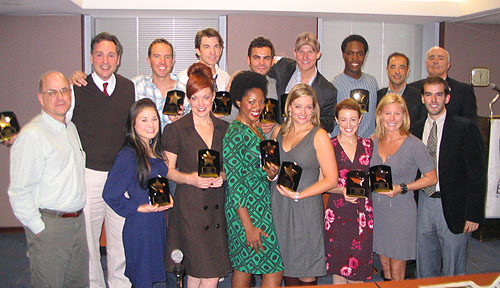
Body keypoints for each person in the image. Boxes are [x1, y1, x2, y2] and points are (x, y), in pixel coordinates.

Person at [8, 71, 88, 288]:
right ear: (40, 98)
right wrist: (39, 229)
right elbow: (19, 191)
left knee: (78, 283)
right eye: (52, 92)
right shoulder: (33, 135)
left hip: (77, 224)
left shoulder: (69, 128)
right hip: (50, 226)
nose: (60, 97)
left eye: (64, 90)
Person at [70, 32, 136, 288]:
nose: (105, 60)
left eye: (111, 55)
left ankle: (120, 284)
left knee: (120, 237)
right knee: (89, 239)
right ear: (90, 57)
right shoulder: (77, 87)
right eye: (99, 54)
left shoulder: (128, 87)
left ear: (118, 59)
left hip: (121, 175)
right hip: (91, 175)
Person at [163, 63, 232, 288]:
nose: (200, 104)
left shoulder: (224, 128)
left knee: (200, 273)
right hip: (190, 207)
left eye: (205, 97)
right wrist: (190, 178)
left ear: (214, 97)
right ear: (187, 100)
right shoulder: (175, 130)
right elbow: (168, 170)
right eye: (194, 98)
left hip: (216, 206)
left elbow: (230, 167)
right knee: (203, 271)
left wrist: (222, 175)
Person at [411, 77, 486, 278]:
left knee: (454, 270)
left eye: (439, 94)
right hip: (424, 205)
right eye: (428, 94)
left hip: (455, 207)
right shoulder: (415, 130)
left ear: (447, 98)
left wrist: (474, 214)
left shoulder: (465, 128)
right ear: (422, 98)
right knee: (425, 266)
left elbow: (477, 174)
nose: (433, 100)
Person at [271, 84, 338, 286]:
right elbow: (272, 170)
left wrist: (299, 195)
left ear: (314, 109)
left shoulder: (319, 135)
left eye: (309, 107)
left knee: (307, 268)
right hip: (279, 205)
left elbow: (331, 179)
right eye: (298, 106)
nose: (303, 112)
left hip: (305, 206)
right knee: (287, 265)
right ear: (289, 107)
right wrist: (271, 175)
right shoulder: (278, 132)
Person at [102, 98, 174, 288]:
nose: (151, 125)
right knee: (142, 279)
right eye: (144, 120)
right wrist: (137, 208)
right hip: (140, 227)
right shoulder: (128, 154)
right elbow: (110, 194)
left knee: (152, 277)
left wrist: (167, 197)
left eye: (154, 119)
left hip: (157, 223)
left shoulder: (152, 149)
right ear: (133, 124)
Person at [223, 71, 284, 287]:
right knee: (266, 266)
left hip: (261, 204)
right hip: (244, 209)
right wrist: (248, 226)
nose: (258, 106)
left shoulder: (256, 128)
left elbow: (257, 170)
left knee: (247, 264)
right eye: (251, 102)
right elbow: (234, 182)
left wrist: (270, 173)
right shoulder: (235, 132)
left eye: (261, 101)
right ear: (238, 102)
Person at [370, 93, 437, 281]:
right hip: (378, 210)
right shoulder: (373, 142)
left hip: (401, 212)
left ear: (404, 116)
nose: (392, 119)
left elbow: (431, 178)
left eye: (397, 114)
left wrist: (403, 187)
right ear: (380, 115)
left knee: (398, 272)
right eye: (387, 113)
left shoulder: (414, 144)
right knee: (385, 268)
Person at [70, 38, 184, 130]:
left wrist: (180, 120)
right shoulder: (134, 85)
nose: (162, 62)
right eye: (157, 56)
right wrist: (79, 76)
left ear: (173, 61)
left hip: (174, 153)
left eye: (167, 57)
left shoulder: (185, 90)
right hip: (143, 154)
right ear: (149, 60)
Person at [323, 98, 374, 284]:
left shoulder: (369, 146)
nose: (348, 124)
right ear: (336, 120)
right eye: (343, 119)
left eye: (353, 119)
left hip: (362, 213)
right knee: (339, 268)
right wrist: (342, 190)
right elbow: (323, 182)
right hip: (337, 213)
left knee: (358, 273)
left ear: (360, 119)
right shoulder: (329, 145)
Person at [268, 32, 337, 133]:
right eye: (301, 52)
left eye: (310, 52)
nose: (305, 57)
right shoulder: (282, 67)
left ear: (318, 54)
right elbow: (262, 75)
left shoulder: (328, 90)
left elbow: (328, 124)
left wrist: (306, 124)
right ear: (295, 53)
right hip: (279, 136)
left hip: (306, 142)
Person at [177, 28, 235, 122]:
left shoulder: (225, 78)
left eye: (216, 46)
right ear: (198, 51)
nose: (213, 52)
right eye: (207, 47)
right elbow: (180, 114)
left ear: (221, 50)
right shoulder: (184, 78)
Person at [409, 46, 477, 122]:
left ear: (448, 65)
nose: (435, 61)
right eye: (431, 58)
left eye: (440, 58)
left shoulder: (464, 91)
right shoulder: (412, 89)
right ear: (426, 64)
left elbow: (469, 124)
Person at [332, 34, 379, 139]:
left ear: (365, 55)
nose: (355, 58)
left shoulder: (372, 82)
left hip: (368, 147)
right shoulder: (333, 85)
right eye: (350, 53)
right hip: (342, 148)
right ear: (343, 55)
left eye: (359, 54)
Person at [377, 52, 424, 125]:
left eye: (401, 67)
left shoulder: (418, 97)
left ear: (408, 70)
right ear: (387, 70)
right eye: (393, 67)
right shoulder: (378, 96)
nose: (397, 71)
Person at [247, 36, 279, 138]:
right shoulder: (237, 85)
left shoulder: (278, 86)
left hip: (272, 149)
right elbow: (227, 120)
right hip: (244, 148)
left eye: (266, 58)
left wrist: (276, 121)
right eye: (256, 58)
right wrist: (251, 124)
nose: (261, 63)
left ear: (272, 61)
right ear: (249, 60)